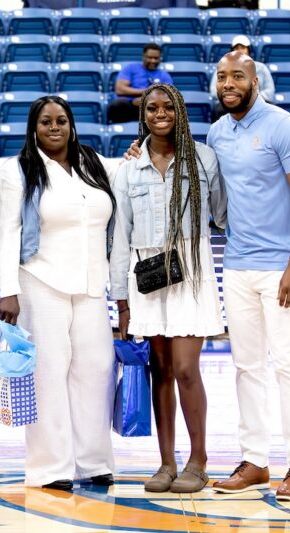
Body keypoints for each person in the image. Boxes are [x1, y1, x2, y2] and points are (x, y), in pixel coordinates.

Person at [206, 52, 290, 501]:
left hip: (281, 266)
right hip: (236, 264)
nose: (228, 83)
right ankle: (255, 460)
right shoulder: (218, 131)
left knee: (288, 363)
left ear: (256, 80)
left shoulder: (284, 126)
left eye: (237, 76)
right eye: (221, 77)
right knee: (246, 366)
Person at [0, 95, 118, 492]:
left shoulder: (92, 163)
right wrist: (8, 290)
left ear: (71, 124)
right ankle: (51, 467)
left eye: (61, 120)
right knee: (48, 373)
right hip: (39, 281)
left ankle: (93, 461)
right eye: (45, 121)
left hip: (91, 284)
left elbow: (123, 187)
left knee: (97, 370)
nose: (54, 127)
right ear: (34, 127)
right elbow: (7, 232)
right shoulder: (18, 171)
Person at [109, 83, 227, 493]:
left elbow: (223, 214)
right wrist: (120, 299)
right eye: (152, 108)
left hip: (191, 272)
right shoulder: (129, 167)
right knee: (159, 370)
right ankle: (166, 463)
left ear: (180, 111)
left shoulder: (204, 157)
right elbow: (120, 236)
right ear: (142, 115)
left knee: (184, 368)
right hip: (147, 277)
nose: (160, 113)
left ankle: (199, 460)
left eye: (168, 107)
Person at [210, 35, 275, 120]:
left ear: (248, 50)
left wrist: (250, 99)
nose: (240, 51)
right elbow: (214, 91)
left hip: (256, 104)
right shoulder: (222, 67)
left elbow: (270, 92)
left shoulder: (261, 68)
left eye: (243, 48)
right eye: (237, 48)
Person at [107, 43, 174, 125]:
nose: (153, 61)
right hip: (130, 105)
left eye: (156, 58)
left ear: (160, 59)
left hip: (152, 107)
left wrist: (146, 101)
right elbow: (120, 89)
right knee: (118, 104)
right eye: (150, 57)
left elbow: (167, 96)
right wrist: (144, 93)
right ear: (143, 57)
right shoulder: (131, 68)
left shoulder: (164, 76)